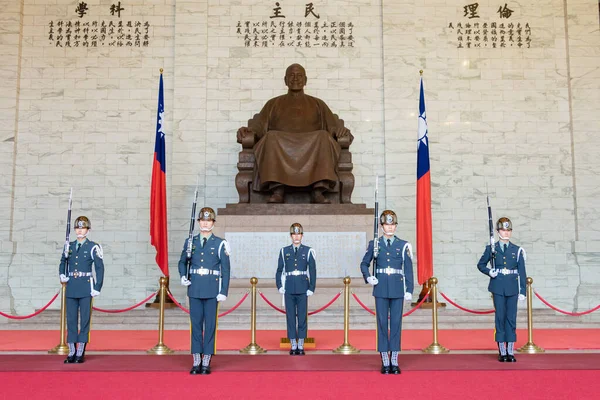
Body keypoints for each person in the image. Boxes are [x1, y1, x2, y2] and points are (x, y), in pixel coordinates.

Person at [237, 63, 353, 204]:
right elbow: (259, 127)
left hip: (313, 144)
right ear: (285, 80)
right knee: (271, 137)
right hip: (279, 143)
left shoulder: (318, 104)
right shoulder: (273, 104)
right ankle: (277, 190)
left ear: (305, 80)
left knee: (323, 136)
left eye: (299, 76)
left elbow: (332, 128)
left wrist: (340, 131)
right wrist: (249, 131)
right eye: (291, 75)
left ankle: (318, 190)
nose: (295, 79)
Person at [360, 210, 414, 374]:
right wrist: (369, 277)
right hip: (381, 287)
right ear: (381, 226)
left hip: (398, 288)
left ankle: (395, 359)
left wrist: (409, 289)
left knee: (396, 323)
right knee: (382, 323)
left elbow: (409, 269)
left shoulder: (403, 245)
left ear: (396, 226)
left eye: (392, 225)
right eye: (387, 225)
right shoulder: (374, 244)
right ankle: (384, 359)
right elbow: (364, 263)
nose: (390, 228)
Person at [178, 207, 231, 375]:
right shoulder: (190, 242)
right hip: (195, 288)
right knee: (195, 325)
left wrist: (223, 290)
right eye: (203, 221)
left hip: (212, 289)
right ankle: (196, 358)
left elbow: (226, 269)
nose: (205, 223)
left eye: (209, 221)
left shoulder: (220, 243)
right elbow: (182, 262)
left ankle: (207, 358)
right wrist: (182, 275)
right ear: (199, 222)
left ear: (213, 223)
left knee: (210, 326)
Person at [477, 217, 527, 362]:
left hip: (512, 287)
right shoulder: (491, 249)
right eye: (503, 230)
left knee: (511, 318)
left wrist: (523, 291)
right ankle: (502, 350)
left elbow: (522, 272)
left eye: (508, 230)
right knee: (500, 318)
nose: (506, 233)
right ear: (498, 231)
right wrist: (489, 271)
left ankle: (510, 350)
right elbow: (480, 265)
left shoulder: (517, 250)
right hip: (498, 286)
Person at [59, 216, 104, 364]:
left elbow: (99, 268)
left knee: (84, 320)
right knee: (71, 319)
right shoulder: (69, 246)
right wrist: (62, 274)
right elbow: (62, 262)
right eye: (77, 228)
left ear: (88, 230)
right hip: (71, 286)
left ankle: (80, 351)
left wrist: (97, 286)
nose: (80, 230)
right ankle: (71, 350)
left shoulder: (93, 247)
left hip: (86, 287)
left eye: (83, 228)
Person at [275, 223, 317, 355]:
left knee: (303, 317)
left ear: (302, 236)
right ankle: (293, 343)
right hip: (289, 287)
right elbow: (279, 270)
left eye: (298, 234)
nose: (296, 236)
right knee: (291, 317)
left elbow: (313, 271)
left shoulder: (308, 251)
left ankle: (301, 344)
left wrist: (311, 287)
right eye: (294, 234)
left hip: (303, 287)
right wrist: (280, 286)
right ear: (291, 236)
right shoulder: (284, 251)